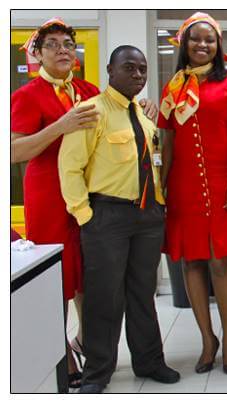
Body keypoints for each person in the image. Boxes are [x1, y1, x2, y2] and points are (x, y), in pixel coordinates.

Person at [10, 17, 155, 388]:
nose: (62, 50)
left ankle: (90, 347)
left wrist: (143, 113)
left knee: (91, 278)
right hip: (47, 195)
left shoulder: (90, 89)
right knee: (56, 279)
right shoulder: (27, 95)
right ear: (38, 54)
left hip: (92, 197)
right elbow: (13, 152)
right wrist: (62, 126)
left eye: (67, 45)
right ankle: (60, 356)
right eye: (53, 44)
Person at [58, 45, 180, 393]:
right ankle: (98, 372)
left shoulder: (143, 116)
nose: (138, 75)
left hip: (147, 216)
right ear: (110, 69)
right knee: (104, 297)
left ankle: (149, 361)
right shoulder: (90, 111)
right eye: (130, 68)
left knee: (143, 293)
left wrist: (158, 208)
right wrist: (86, 216)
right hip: (106, 216)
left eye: (142, 69)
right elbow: (69, 168)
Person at [158, 12, 227, 375]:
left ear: (218, 45)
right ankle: (206, 339)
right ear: (185, 45)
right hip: (183, 188)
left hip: (222, 184)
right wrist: (162, 187)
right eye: (195, 39)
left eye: (209, 40)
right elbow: (168, 141)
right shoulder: (174, 87)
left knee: (220, 261)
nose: (202, 45)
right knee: (191, 262)